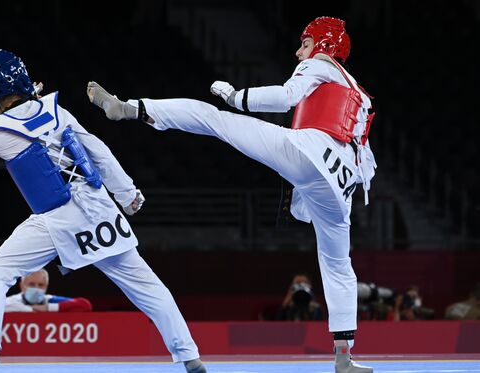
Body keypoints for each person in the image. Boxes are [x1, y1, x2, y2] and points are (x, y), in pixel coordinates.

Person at [88, 16, 375, 373]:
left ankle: (132, 108)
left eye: (304, 43)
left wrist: (235, 96)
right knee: (338, 265)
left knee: (213, 118)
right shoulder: (360, 95)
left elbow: (286, 97)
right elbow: (365, 162)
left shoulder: (319, 63)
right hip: (339, 186)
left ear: (322, 45)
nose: (298, 51)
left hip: (308, 153)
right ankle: (344, 358)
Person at [0, 49, 206, 373]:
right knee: (147, 287)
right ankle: (189, 356)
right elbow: (98, 151)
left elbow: (8, 129)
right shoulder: (58, 111)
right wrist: (127, 192)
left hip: (57, 217)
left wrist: (25, 100)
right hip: (100, 207)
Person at [5, 269, 92, 313]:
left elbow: (85, 305)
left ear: (46, 287)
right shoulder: (9, 302)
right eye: (31, 284)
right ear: (22, 285)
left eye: (41, 285)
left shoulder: (50, 300)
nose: (36, 289)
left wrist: (48, 308)